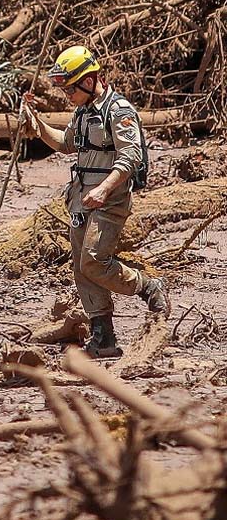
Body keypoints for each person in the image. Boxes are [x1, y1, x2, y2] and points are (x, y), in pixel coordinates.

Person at [22, 45, 170, 358]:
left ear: (89, 82)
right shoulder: (82, 112)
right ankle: (103, 338)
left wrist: (104, 189)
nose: (67, 96)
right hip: (81, 198)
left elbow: (131, 155)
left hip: (109, 199)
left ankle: (145, 285)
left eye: (70, 89)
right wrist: (37, 126)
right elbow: (65, 143)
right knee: (80, 266)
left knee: (93, 260)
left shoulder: (119, 111)